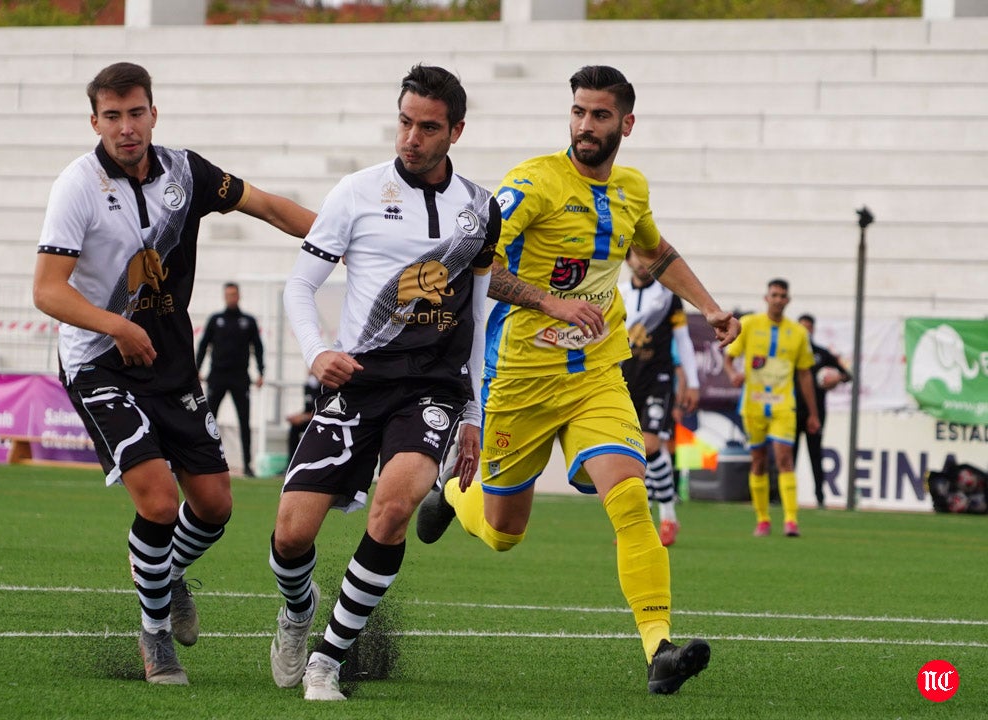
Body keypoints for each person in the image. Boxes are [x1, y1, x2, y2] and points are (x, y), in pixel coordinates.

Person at [416, 65, 739, 695]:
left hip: (595, 374)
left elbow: (652, 253)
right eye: (577, 113)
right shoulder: (533, 183)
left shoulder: (631, 188)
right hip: (517, 378)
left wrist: (708, 306)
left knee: (630, 496)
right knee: (506, 534)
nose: (585, 126)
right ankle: (455, 497)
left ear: (626, 123)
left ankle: (659, 648)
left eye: (598, 115)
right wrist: (551, 302)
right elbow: (474, 264)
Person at [32, 62, 315, 685]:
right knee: (160, 503)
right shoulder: (76, 186)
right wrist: (117, 327)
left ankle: (168, 574)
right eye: (112, 116)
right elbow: (48, 292)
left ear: (153, 113)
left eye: (136, 113)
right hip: (98, 361)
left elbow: (264, 205)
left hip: (170, 363)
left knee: (213, 506)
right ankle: (155, 636)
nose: (126, 128)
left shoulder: (185, 172)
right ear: (95, 121)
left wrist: (346, 241)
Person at [267, 63, 498, 702]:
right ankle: (296, 612)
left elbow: (478, 314)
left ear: (455, 131)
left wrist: (475, 411)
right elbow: (299, 286)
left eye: (428, 127)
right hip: (357, 381)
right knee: (292, 534)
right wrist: (317, 353)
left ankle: (327, 661)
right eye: (404, 122)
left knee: (394, 508)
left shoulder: (482, 209)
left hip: (432, 390)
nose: (411, 138)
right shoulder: (355, 192)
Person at [723, 280, 819, 538]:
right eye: (774, 295)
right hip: (753, 405)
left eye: (782, 296)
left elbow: (805, 374)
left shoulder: (798, 333)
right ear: (766, 298)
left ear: (788, 300)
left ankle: (791, 520)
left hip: (783, 405)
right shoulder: (751, 324)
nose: (778, 299)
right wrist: (733, 374)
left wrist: (812, 413)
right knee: (758, 461)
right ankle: (763, 519)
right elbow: (729, 357)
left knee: (785, 459)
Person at [618, 247, 701, 547]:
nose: (641, 263)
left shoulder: (668, 297)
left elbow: (683, 341)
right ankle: (641, 522)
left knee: (651, 446)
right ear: (627, 261)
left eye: (645, 257)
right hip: (624, 381)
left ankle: (669, 518)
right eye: (635, 257)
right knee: (629, 455)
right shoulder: (618, 293)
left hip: (658, 381)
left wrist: (692, 383)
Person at [195, 282, 265, 477]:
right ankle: (205, 460)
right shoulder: (216, 320)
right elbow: (203, 345)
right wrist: (197, 369)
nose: (231, 298)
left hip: (240, 377)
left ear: (239, 296)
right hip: (217, 376)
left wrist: (261, 372)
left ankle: (247, 465)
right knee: (209, 420)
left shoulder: (248, 321)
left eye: (234, 294)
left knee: (244, 421)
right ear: (224, 296)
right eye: (228, 294)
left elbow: (258, 348)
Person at [794, 313, 852, 509]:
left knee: (815, 454)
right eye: (802, 327)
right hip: (791, 411)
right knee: (787, 456)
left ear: (813, 329)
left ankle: (819, 497)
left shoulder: (822, 353)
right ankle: (783, 496)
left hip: (815, 413)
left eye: (809, 327)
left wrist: (837, 378)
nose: (805, 331)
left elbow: (847, 375)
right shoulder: (790, 352)